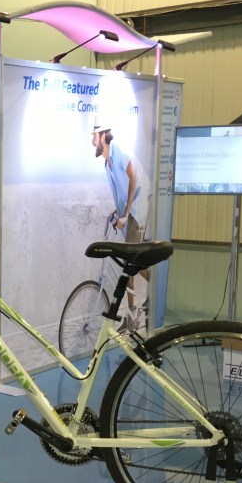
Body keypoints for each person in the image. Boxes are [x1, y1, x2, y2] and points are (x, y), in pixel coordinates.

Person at [91, 121, 150, 331]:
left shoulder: (120, 150)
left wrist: (125, 214)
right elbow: (121, 190)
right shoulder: (107, 163)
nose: (92, 142)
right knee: (132, 263)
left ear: (103, 136)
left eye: (94, 136)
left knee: (130, 263)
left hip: (137, 209)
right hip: (128, 211)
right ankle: (135, 312)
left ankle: (139, 309)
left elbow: (134, 179)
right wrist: (118, 211)